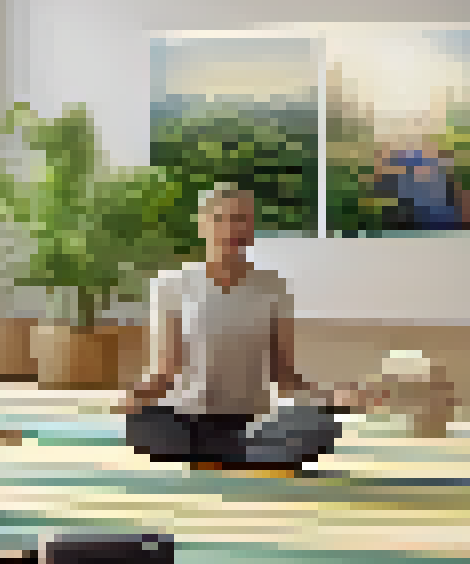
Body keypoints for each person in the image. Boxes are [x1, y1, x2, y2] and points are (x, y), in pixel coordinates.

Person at [120, 185, 367, 473]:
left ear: (251, 229)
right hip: (186, 421)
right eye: (222, 219)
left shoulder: (273, 286)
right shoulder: (171, 285)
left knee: (321, 427)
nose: (233, 228)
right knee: (143, 424)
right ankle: (241, 457)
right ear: (203, 225)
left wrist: (332, 398)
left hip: (249, 424)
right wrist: (137, 395)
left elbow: (284, 375)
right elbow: (165, 370)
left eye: (242, 220)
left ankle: (222, 457)